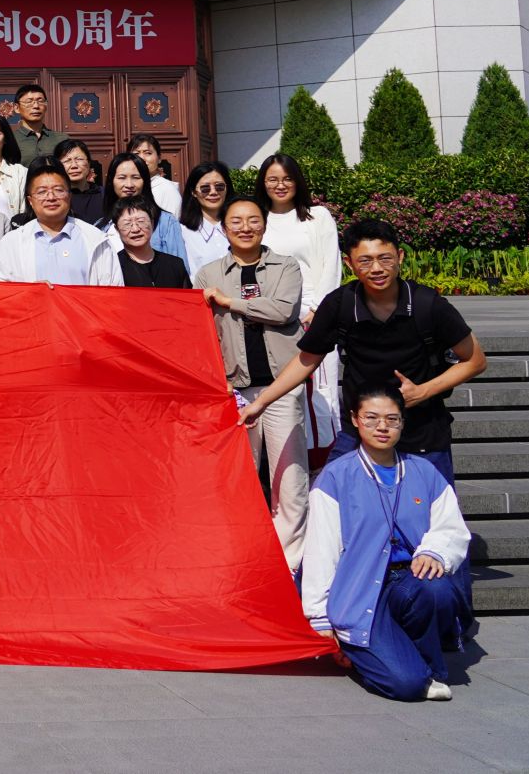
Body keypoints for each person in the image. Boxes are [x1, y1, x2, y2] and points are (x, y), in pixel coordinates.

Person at [240, 219, 487, 487]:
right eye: (365, 261)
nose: (377, 268)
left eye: (385, 258)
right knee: (332, 498)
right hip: (359, 430)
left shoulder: (428, 304)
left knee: (431, 509)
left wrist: (422, 392)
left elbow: (475, 360)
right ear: (349, 264)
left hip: (422, 430)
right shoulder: (340, 304)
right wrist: (261, 402)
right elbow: (306, 360)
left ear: (400, 256)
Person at [302, 386, 471, 702]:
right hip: (359, 589)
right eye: (372, 418)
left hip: (409, 580)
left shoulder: (424, 471)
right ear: (355, 419)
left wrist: (434, 551)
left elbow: (451, 528)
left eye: (392, 419)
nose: (382, 426)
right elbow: (320, 550)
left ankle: (425, 665)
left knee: (437, 589)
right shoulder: (336, 477)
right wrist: (319, 615)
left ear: (402, 423)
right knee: (406, 685)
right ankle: (396, 663)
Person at [198, 196, 308, 568]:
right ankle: (241, 558)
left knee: (289, 480)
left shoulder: (285, 266)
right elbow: (203, 333)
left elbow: (283, 310)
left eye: (253, 220)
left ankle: (290, 565)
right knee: (237, 480)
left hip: (280, 387)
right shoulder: (208, 274)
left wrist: (231, 302)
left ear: (264, 224)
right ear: (224, 227)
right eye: (236, 221)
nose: (245, 227)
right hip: (235, 390)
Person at [260, 152, 345, 441]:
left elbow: (330, 264)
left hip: (313, 311)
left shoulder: (317, 216)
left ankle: (326, 456)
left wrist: (319, 309)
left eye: (287, 179)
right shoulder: (258, 219)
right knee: (285, 391)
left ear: (297, 181)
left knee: (322, 390)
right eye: (272, 179)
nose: (280, 185)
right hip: (273, 316)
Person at [0, 160, 122, 285]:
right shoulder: (11, 243)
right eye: (42, 192)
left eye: (58, 190)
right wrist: (27, 293)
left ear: (69, 196)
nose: (51, 197)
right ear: (30, 201)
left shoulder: (95, 239)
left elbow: (113, 291)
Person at [100, 152, 189, 270]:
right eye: (122, 178)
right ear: (111, 181)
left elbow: (179, 269)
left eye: (136, 177)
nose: (129, 184)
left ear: (145, 181)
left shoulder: (165, 221)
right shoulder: (102, 225)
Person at [111, 201, 190, 288]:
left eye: (141, 221)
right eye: (127, 224)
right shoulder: (114, 267)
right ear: (117, 229)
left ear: (152, 223)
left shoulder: (175, 264)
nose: (135, 229)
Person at [179, 159, 234, 274]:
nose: (213, 192)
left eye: (219, 187)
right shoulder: (182, 232)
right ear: (193, 192)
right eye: (205, 188)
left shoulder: (239, 227)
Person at [127, 133, 183, 214]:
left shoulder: (166, 190)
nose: (142, 158)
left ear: (159, 158)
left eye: (148, 153)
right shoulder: (126, 187)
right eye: (136, 154)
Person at [53, 138, 103, 225]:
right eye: (67, 161)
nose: (74, 165)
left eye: (79, 159)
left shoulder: (104, 194)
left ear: (89, 163)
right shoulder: (53, 198)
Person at [10, 83, 61, 163]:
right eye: (29, 102)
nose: (36, 106)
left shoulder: (61, 139)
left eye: (40, 101)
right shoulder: (10, 140)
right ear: (16, 108)